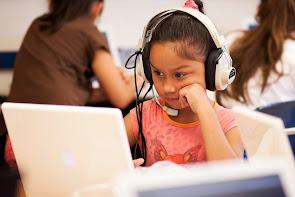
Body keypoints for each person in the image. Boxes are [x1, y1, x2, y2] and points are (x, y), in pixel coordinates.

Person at [0, 0, 142, 169]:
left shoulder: (38, 25)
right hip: (57, 147)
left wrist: (106, 89)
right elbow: (121, 97)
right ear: (97, 7)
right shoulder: (87, 30)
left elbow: (62, 90)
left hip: (15, 145)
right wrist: (140, 77)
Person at [123, 0, 244, 167]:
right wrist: (121, 168)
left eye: (179, 75)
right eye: (158, 73)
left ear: (212, 71)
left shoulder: (227, 123)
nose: (168, 87)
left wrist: (204, 110)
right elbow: (100, 153)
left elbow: (231, 178)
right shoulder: (145, 115)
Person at [216, 0, 295, 110]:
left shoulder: (232, 40)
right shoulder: (291, 51)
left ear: (259, 9)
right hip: (278, 125)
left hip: (230, 121)